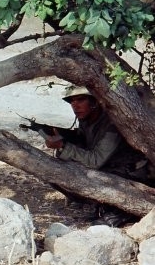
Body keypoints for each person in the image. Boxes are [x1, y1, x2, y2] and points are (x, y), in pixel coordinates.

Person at [43, 85, 153, 227]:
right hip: (111, 169)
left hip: (131, 174)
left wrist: (63, 146)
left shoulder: (113, 124)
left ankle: (119, 213)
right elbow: (84, 146)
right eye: (72, 101)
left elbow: (96, 161)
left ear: (95, 102)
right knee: (55, 172)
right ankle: (103, 206)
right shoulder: (86, 121)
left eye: (80, 100)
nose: (75, 105)